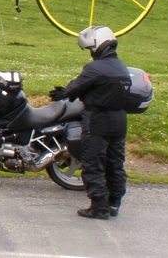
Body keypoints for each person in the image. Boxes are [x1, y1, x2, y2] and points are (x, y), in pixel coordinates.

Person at [49, 26, 132, 220]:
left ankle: (99, 207)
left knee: (93, 163)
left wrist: (63, 93)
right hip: (120, 120)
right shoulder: (121, 67)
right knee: (115, 163)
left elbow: (77, 86)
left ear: (98, 45)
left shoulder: (95, 68)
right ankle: (114, 203)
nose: (91, 53)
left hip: (98, 120)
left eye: (90, 48)